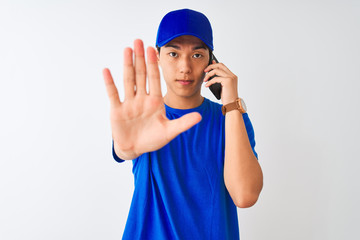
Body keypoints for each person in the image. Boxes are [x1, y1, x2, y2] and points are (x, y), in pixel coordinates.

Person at [103, 8, 263, 240]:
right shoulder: (144, 115)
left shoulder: (230, 118)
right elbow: (125, 148)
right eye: (173, 54)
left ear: (212, 61)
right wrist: (125, 147)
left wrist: (231, 103)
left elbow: (245, 195)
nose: (185, 67)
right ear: (157, 57)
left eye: (197, 55)